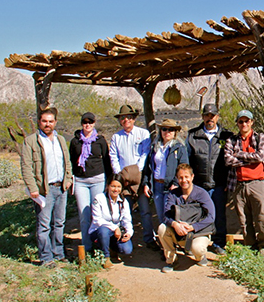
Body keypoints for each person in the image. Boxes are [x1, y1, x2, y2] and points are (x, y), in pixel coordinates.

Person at [20, 107, 72, 268]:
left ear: (55, 122)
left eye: (50, 121)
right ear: (39, 122)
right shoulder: (31, 141)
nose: (47, 124)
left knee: (59, 223)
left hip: (61, 187)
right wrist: (32, 187)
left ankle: (58, 253)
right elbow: (26, 166)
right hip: (44, 190)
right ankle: (46, 257)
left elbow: (67, 161)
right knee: (44, 224)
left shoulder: (60, 139)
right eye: (44, 121)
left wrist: (68, 179)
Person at [109, 105, 159, 251]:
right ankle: (123, 240)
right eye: (123, 117)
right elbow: (114, 157)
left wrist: (136, 171)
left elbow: (145, 154)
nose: (126, 120)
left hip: (140, 177)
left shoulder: (143, 134)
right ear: (119, 120)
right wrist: (120, 175)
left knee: (145, 210)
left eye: (129, 117)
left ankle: (149, 239)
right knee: (124, 211)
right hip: (123, 180)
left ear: (134, 119)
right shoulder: (116, 137)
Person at [186, 103, 233, 255]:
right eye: (207, 115)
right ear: (202, 117)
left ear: (217, 117)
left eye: (212, 116)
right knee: (199, 214)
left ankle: (218, 243)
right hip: (199, 184)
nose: (209, 118)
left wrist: (228, 181)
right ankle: (199, 243)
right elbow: (188, 161)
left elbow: (231, 162)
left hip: (219, 184)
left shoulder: (226, 136)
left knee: (219, 214)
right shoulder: (193, 135)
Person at [224, 110, 264, 251]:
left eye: (246, 121)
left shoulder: (260, 138)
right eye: (241, 121)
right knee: (244, 221)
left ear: (251, 122)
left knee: (262, 218)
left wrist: (239, 155)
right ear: (237, 123)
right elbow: (228, 160)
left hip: (257, 183)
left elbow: (260, 156)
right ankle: (250, 247)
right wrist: (250, 159)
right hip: (238, 185)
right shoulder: (231, 140)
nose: (244, 124)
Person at [158, 164, 215, 272]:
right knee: (162, 228)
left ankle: (200, 256)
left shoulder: (202, 193)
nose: (184, 180)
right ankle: (171, 260)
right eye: (180, 177)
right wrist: (175, 224)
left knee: (197, 249)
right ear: (177, 178)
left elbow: (211, 217)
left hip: (198, 232)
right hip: (179, 231)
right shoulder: (173, 194)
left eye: (186, 177)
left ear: (192, 177)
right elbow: (165, 215)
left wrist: (193, 227)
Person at [69, 112, 111, 252]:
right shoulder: (75, 141)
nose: (88, 125)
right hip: (81, 180)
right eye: (85, 122)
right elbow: (71, 161)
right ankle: (87, 247)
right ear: (81, 123)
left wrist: (109, 181)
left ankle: (100, 245)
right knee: (84, 214)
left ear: (94, 123)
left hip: (98, 179)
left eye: (90, 122)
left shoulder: (100, 140)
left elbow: (106, 160)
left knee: (97, 213)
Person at [141, 118, 189, 224]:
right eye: (164, 129)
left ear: (175, 132)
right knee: (161, 216)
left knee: (171, 216)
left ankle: (172, 240)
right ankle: (163, 239)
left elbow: (184, 167)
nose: (167, 132)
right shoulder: (155, 147)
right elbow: (148, 167)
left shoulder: (179, 148)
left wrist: (176, 183)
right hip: (157, 185)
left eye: (170, 130)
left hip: (171, 187)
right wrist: (146, 183)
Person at [89, 174, 133, 269]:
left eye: (118, 187)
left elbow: (127, 220)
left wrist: (129, 233)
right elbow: (97, 220)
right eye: (113, 186)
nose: (115, 189)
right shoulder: (99, 198)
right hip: (99, 231)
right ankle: (105, 257)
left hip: (115, 233)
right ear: (108, 186)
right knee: (103, 230)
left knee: (127, 249)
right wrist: (114, 227)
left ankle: (112, 249)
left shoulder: (123, 201)